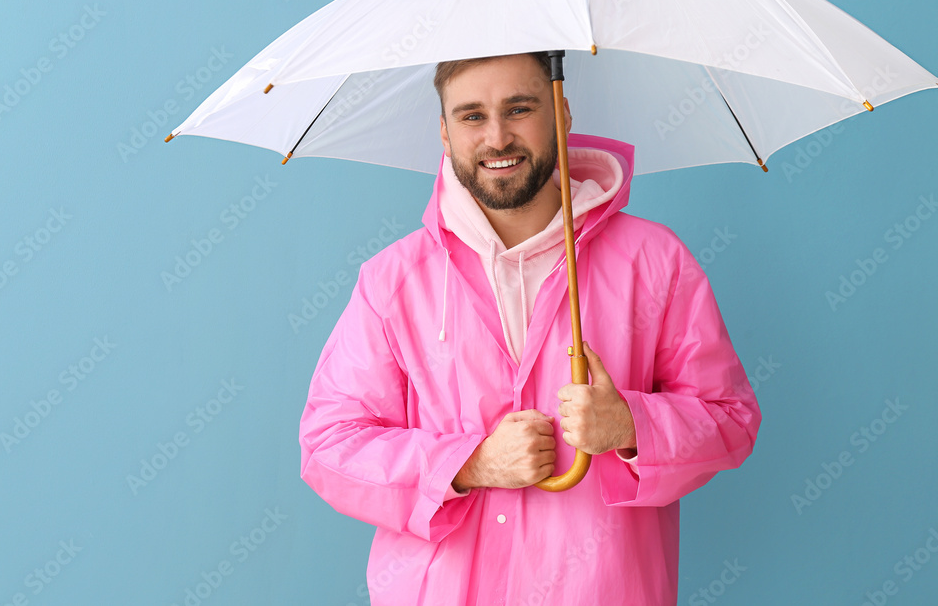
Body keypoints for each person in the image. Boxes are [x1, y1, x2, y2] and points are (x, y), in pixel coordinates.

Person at [299, 52, 761, 605]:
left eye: (519, 108)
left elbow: (730, 418)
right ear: (444, 133)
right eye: (472, 116)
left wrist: (633, 425)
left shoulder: (655, 262)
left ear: (561, 113)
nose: (497, 138)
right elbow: (330, 444)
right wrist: (469, 464)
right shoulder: (393, 281)